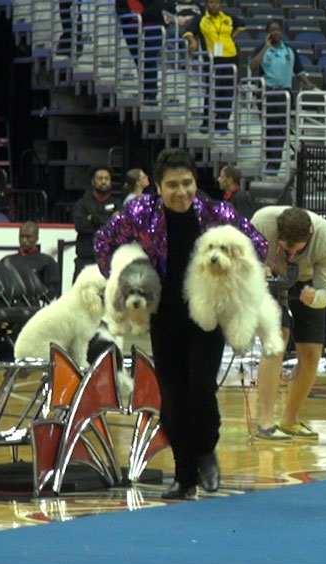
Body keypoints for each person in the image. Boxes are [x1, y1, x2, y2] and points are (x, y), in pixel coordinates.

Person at [94, 148, 268, 499]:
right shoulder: (140, 212)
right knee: (172, 400)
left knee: (200, 388)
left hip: (207, 315)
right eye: (171, 185)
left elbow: (258, 246)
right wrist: (123, 276)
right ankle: (183, 476)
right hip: (163, 317)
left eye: (186, 183)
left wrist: (236, 277)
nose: (181, 192)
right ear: (157, 186)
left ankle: (206, 452)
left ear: (195, 181)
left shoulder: (217, 212)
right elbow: (103, 242)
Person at [250, 205, 326, 440]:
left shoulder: (325, 238)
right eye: (285, 247)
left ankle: (290, 420)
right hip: (270, 277)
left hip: (307, 280)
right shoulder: (261, 222)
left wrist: (315, 298)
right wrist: (258, 269)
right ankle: (266, 423)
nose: (290, 254)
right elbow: (243, 260)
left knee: (311, 352)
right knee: (277, 338)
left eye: (296, 249)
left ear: (309, 233)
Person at [250, 19, 315, 175]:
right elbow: (253, 67)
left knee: (280, 130)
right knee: (269, 129)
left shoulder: (289, 50)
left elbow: (299, 71)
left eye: (278, 29)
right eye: (272, 30)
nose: (275, 32)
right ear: (267, 33)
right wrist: (266, 47)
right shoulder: (261, 49)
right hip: (266, 93)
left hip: (284, 94)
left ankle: (275, 164)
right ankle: (270, 161)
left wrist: (310, 85)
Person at [183, 0, 245, 133]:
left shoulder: (228, 17)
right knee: (212, 91)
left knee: (227, 92)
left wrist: (231, 37)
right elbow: (188, 32)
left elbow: (242, 26)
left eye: (217, 3)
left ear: (220, 5)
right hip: (213, 59)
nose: (214, 5)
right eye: (211, 3)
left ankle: (222, 124)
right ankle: (206, 122)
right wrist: (193, 41)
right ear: (207, 5)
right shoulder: (201, 19)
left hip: (231, 57)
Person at [73, 166, 120, 279]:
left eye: (106, 178)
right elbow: (81, 226)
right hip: (85, 259)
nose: (103, 181)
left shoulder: (118, 203)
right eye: (100, 178)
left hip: (110, 261)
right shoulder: (82, 204)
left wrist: (93, 218)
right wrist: (109, 219)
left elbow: (118, 228)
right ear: (93, 182)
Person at [10, 220, 62, 299]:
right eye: (21, 236)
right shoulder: (9, 261)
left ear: (36, 238)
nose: (24, 240)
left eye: (28, 237)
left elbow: (52, 291)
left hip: (35, 306)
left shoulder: (47, 262)